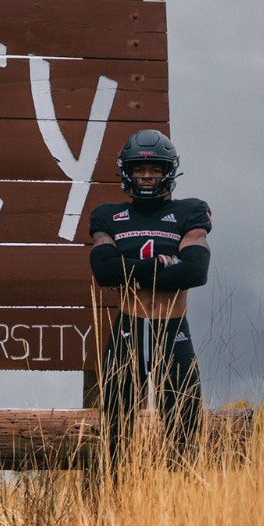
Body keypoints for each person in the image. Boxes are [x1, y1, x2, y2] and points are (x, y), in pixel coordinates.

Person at [88, 130, 211, 466]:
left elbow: (195, 271)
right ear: (127, 172)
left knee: (184, 425)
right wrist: (160, 264)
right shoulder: (108, 215)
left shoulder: (190, 211)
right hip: (128, 329)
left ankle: (178, 493)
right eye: (139, 169)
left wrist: (130, 268)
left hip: (173, 331)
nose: (146, 176)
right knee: (116, 430)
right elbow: (105, 271)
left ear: (168, 171)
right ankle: (118, 492)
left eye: (154, 169)